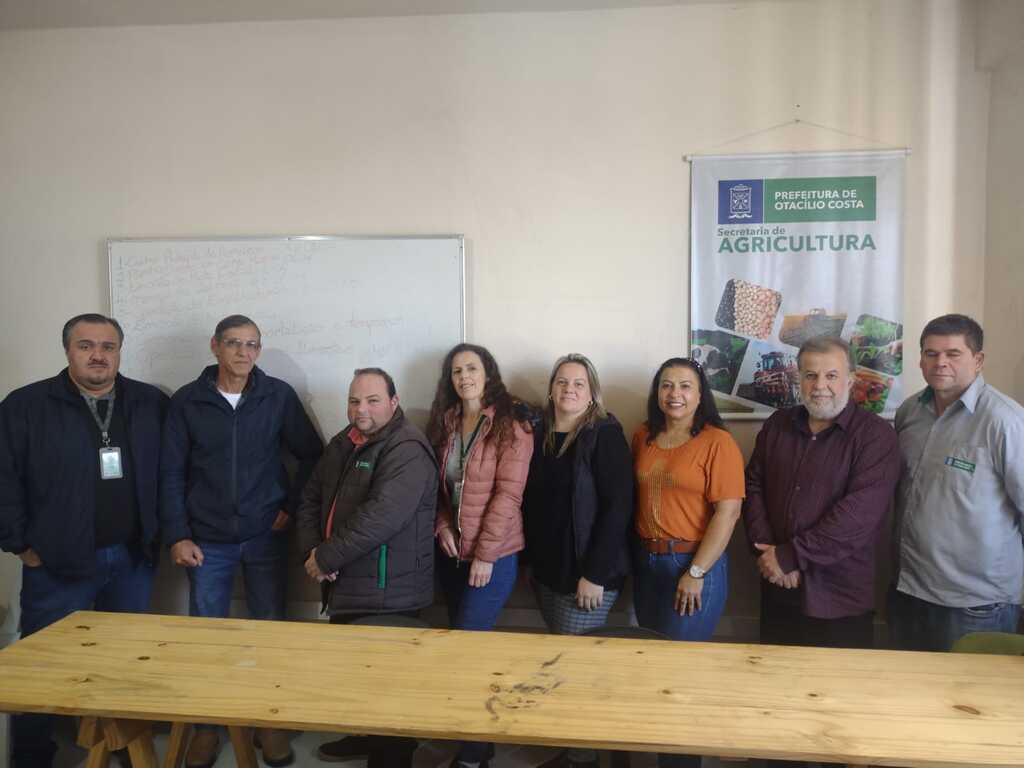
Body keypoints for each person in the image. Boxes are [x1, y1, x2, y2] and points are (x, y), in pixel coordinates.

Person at [0, 313, 168, 768]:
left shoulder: (149, 401)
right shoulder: (26, 405)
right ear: (68, 350)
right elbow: (4, 480)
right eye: (86, 345)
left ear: (119, 352)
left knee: (125, 661)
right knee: (42, 663)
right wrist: (20, 545)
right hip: (56, 561)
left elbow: (170, 473)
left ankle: (126, 748)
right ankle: (32, 754)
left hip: (132, 558)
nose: (98, 355)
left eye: (108, 346)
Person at [161, 314, 323, 768]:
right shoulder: (188, 402)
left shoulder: (277, 396)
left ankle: (267, 722)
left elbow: (311, 455)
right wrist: (177, 533)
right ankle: (208, 729)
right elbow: (170, 472)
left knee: (268, 631)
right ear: (215, 346)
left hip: (263, 537)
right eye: (234, 343)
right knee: (208, 638)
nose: (244, 353)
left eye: (252, 344)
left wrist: (289, 509)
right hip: (206, 540)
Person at [296, 367, 438, 768]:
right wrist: (314, 553)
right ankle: (365, 739)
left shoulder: (407, 447)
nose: (362, 409)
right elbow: (310, 497)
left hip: (388, 591)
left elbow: (382, 517)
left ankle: (390, 757)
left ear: (394, 403)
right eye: (354, 400)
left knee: (391, 689)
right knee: (355, 678)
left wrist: (327, 557)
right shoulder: (345, 441)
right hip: (345, 584)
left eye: (373, 400)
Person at [743, 337, 900, 653]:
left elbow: (857, 517)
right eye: (810, 375)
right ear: (798, 378)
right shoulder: (777, 425)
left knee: (838, 695)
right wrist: (769, 552)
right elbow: (752, 486)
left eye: (831, 375)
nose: (820, 385)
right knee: (773, 687)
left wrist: (789, 556)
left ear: (851, 379)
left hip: (840, 597)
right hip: (778, 586)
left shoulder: (876, 437)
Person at [632, 356, 744, 768]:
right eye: (666, 385)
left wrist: (696, 572)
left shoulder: (718, 442)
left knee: (680, 681)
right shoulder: (642, 436)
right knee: (655, 671)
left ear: (700, 395)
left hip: (694, 567)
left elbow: (728, 514)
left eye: (684, 386)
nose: (674, 394)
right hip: (647, 566)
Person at [522, 353, 633, 768]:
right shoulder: (538, 433)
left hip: (588, 574)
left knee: (576, 667)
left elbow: (618, 507)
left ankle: (583, 757)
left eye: (579, 384)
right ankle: (576, 749)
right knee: (562, 662)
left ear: (592, 393)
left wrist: (595, 574)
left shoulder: (604, 434)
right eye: (562, 382)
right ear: (551, 388)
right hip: (549, 571)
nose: (569, 389)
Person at [426, 342, 533, 768]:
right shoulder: (448, 422)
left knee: (468, 656)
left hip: (495, 556)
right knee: (462, 652)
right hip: (452, 553)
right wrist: (441, 526)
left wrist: (486, 554)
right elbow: (436, 489)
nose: (464, 377)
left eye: (471, 368)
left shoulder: (512, 424)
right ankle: (480, 744)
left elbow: (509, 495)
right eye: (456, 371)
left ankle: (471, 759)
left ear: (487, 373)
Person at [890, 314, 1024, 652]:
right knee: (908, 694)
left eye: (953, 353)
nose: (940, 363)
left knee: (971, 702)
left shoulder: (1005, 421)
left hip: (976, 604)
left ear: (978, 360)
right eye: (931, 353)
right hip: (910, 590)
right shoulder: (909, 413)